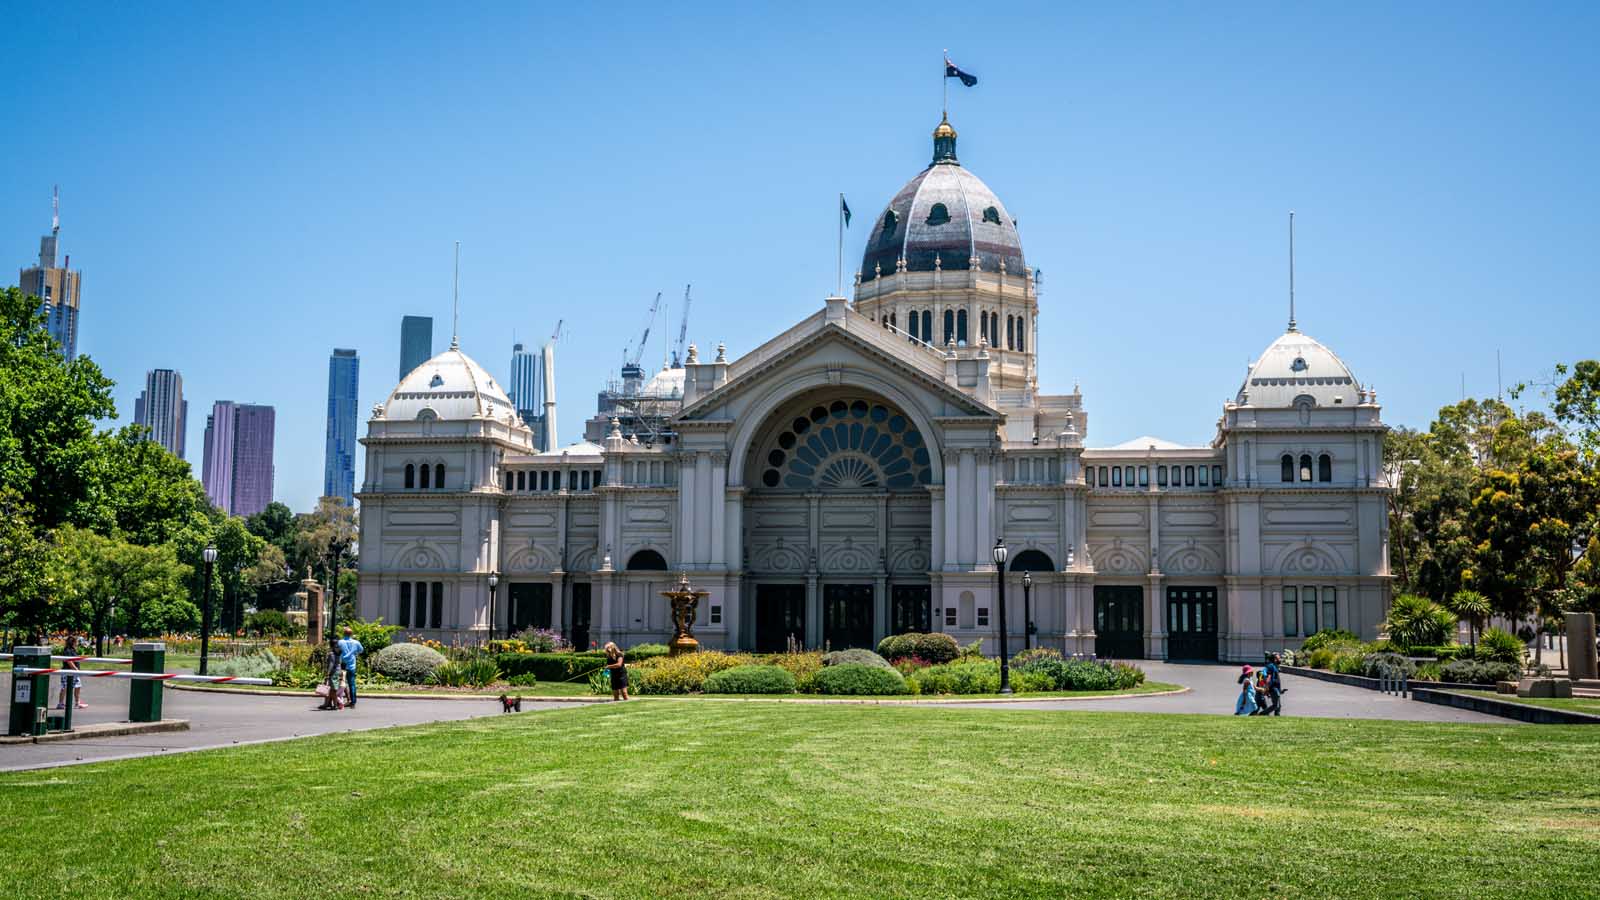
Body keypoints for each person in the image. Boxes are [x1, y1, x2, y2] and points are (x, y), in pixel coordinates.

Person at [337, 626, 363, 708]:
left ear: (343, 633)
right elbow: (361, 650)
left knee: (341, 683)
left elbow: (336, 651)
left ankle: (340, 701)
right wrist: (354, 653)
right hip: (352, 665)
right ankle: (353, 702)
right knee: (352, 684)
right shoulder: (356, 642)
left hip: (343, 664)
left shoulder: (340, 642)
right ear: (351, 634)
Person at [57, 636, 86, 710]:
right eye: (75, 642)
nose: (76, 643)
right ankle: (60, 703)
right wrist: (75, 669)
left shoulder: (73, 650)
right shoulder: (67, 650)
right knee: (65, 687)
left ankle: (77, 703)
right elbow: (69, 661)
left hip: (74, 672)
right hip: (68, 672)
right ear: (72, 642)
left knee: (78, 686)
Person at [318, 636, 344, 710]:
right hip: (338, 672)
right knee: (329, 689)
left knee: (332, 690)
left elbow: (331, 665)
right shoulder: (338, 653)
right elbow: (339, 663)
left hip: (333, 673)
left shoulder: (332, 654)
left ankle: (335, 705)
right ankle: (327, 703)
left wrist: (327, 674)